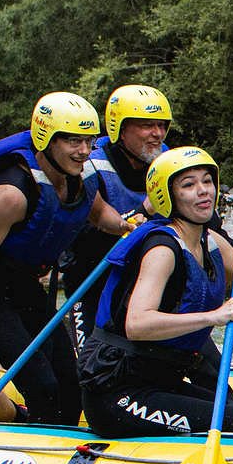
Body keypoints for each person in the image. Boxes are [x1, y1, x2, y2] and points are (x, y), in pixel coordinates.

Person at [78, 147, 233, 438]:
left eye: (207, 181)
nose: (203, 191)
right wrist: (213, 316)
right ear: (168, 196)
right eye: (188, 185)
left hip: (159, 382)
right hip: (117, 394)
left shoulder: (210, 241)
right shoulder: (162, 249)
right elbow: (137, 324)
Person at [0, 92, 130, 425]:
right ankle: (32, 433)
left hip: (22, 283)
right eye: (73, 141)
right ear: (46, 139)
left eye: (89, 141)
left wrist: (128, 226)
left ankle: (57, 435)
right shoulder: (12, 195)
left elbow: (100, 213)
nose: (84, 151)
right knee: (43, 385)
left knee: (71, 383)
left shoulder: (80, 175)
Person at [59, 84, 173, 350]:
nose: (157, 133)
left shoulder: (170, 164)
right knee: (90, 361)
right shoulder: (87, 166)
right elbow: (85, 241)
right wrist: (143, 211)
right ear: (119, 129)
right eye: (147, 125)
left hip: (147, 282)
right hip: (92, 281)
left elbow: (206, 228)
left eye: (162, 125)